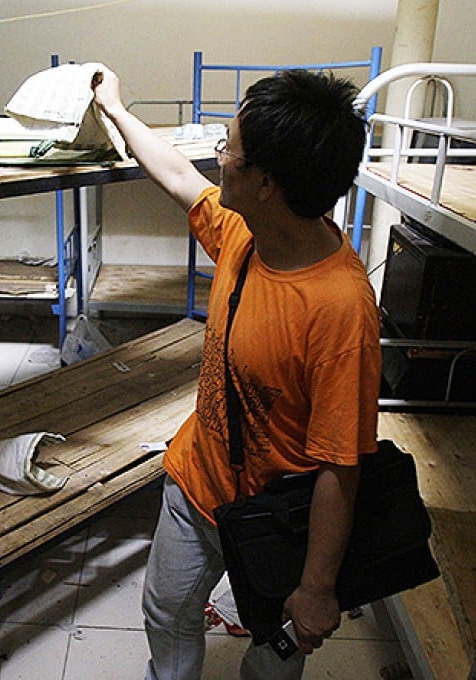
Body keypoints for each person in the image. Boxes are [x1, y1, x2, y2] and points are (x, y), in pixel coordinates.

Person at [91, 66, 382, 680]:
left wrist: (318, 587)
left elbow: (341, 464)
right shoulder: (246, 233)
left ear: (267, 184)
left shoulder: (339, 310)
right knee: (165, 613)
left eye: (229, 149)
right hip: (197, 481)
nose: (218, 159)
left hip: (280, 517)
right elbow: (175, 175)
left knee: (270, 666)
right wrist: (116, 109)